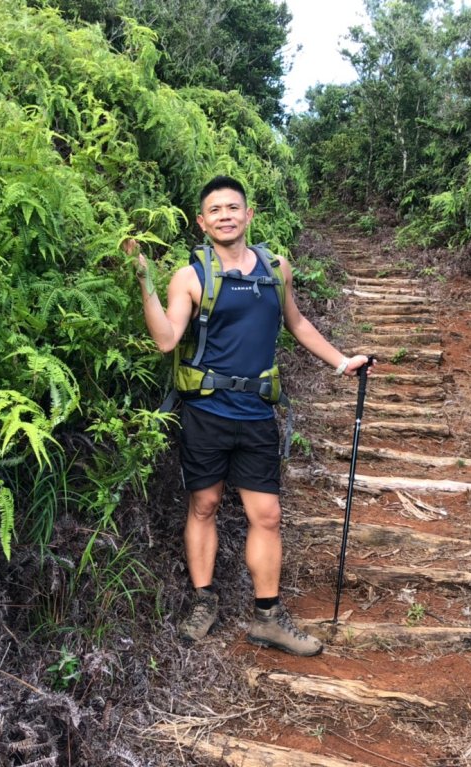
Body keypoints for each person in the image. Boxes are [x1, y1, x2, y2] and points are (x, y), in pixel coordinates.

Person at [126, 176, 371, 656]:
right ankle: (204, 601)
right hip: (205, 411)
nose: (224, 215)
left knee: (268, 514)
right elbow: (166, 339)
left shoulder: (277, 269)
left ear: (249, 214)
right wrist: (145, 284)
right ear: (202, 221)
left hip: (257, 411)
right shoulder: (190, 276)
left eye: (232, 207)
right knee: (205, 505)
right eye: (214, 210)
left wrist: (343, 361)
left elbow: (296, 323)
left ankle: (268, 618)